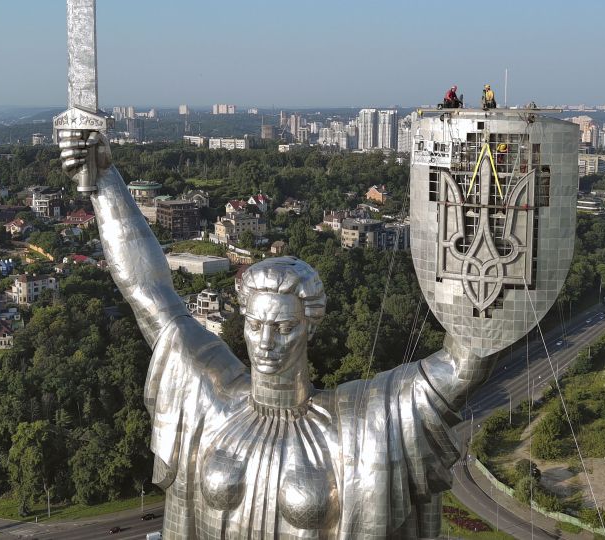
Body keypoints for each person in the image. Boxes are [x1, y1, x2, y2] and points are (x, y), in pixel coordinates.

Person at [59, 131, 496, 539]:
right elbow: (146, 289)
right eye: (255, 325)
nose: (265, 343)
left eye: (284, 328)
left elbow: (463, 364)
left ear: (310, 326)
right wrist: (103, 180)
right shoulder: (209, 399)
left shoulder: (360, 425)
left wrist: (482, 220)